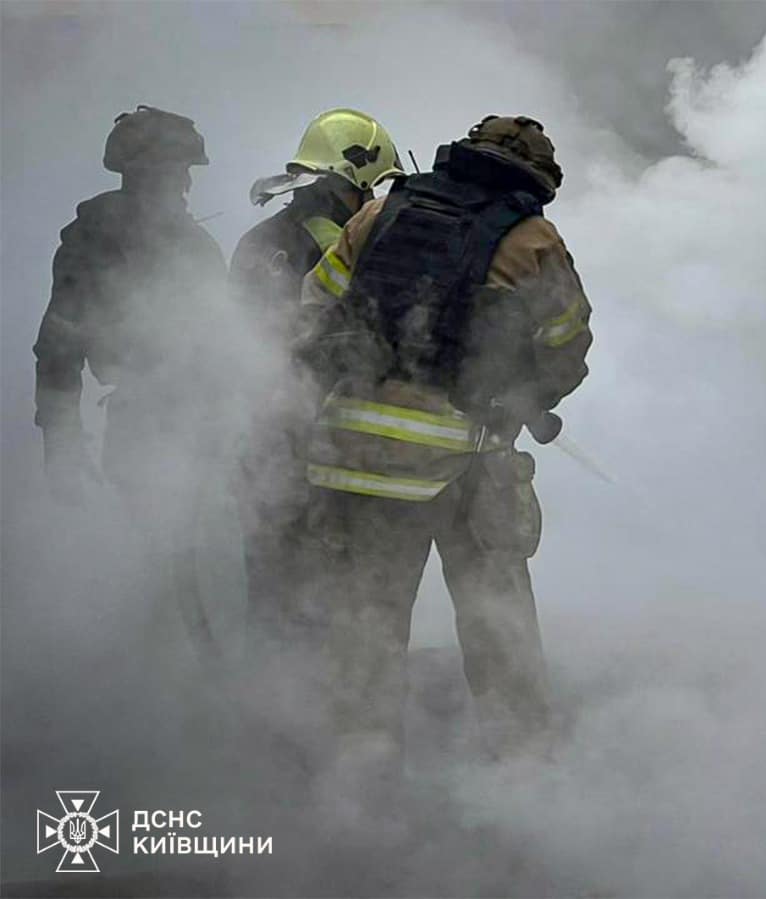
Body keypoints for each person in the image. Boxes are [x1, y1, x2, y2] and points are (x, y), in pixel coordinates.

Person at [294, 115, 592, 778]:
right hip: (464, 462)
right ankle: (527, 774)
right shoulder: (533, 238)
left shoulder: (378, 214)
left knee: (367, 629)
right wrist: (523, 395)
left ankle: (358, 780)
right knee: (497, 623)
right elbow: (568, 345)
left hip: (355, 458)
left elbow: (312, 312)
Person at [33, 105, 228, 659]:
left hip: (200, 426)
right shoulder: (94, 244)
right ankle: (161, 676)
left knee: (199, 566)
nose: (188, 184)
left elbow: (228, 343)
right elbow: (59, 348)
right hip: (147, 427)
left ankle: (188, 672)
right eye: (180, 170)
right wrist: (62, 444)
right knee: (164, 565)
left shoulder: (192, 245)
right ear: (151, 173)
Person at [230, 108, 402, 643]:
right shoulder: (345, 248)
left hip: (259, 437)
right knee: (333, 590)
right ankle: (322, 684)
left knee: (270, 581)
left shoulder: (258, 240)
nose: (369, 200)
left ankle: (270, 681)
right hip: (322, 440)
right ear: (348, 182)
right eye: (367, 189)